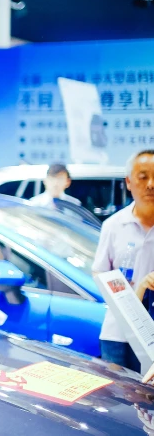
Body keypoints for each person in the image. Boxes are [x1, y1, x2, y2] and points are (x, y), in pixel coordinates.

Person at [93, 149, 154, 374]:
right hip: (116, 332)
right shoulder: (114, 225)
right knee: (117, 400)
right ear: (129, 182)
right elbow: (99, 272)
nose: (151, 184)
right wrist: (121, 292)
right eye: (143, 176)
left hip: (152, 337)